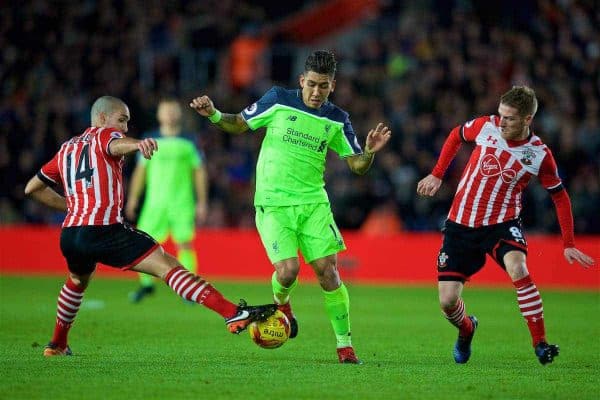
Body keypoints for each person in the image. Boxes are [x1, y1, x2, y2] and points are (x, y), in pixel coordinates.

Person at [24, 96, 276, 357]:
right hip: (104, 230)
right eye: (121, 120)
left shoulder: (67, 148)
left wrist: (74, 205)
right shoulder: (104, 136)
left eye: (127, 123)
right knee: (169, 266)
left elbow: (32, 188)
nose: (124, 127)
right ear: (101, 118)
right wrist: (137, 144)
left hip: (71, 234)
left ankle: (56, 344)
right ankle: (232, 313)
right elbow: (115, 144)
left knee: (77, 281)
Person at [189, 50, 392, 364]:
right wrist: (215, 114)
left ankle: (345, 346)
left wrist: (369, 152)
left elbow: (357, 165)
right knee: (287, 271)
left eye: (323, 86)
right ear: (302, 80)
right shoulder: (278, 100)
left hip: (314, 205)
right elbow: (240, 124)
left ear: (332, 86)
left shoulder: (337, 119)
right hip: (273, 204)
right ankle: (282, 303)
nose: (315, 91)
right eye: (311, 84)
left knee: (329, 273)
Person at [416, 86, 595, 365]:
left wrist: (568, 243)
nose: (501, 122)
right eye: (500, 115)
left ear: (527, 120)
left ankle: (540, 344)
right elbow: (455, 135)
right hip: (460, 224)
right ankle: (467, 329)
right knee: (447, 301)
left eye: (509, 118)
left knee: (519, 268)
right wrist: (438, 174)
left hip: (501, 224)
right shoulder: (485, 126)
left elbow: (560, 197)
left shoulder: (539, 155)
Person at [125, 99, 208, 303]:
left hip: (182, 202)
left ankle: (190, 290)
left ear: (179, 114)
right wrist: (133, 198)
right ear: (159, 115)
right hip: (155, 203)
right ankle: (146, 285)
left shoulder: (190, 140)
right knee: (143, 245)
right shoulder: (149, 139)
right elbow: (140, 172)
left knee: (185, 244)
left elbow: (199, 172)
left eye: (173, 110)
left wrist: (202, 201)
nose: (170, 114)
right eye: (166, 110)